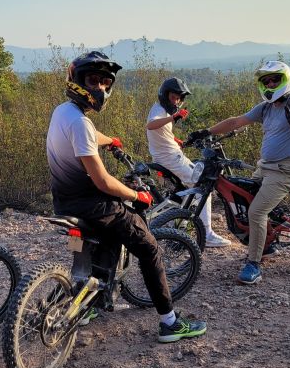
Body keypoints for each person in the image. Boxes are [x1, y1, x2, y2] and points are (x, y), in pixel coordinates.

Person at [46, 51, 207, 342]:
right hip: (93, 204)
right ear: (77, 80)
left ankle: (90, 302)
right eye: (93, 81)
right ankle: (170, 323)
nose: (101, 89)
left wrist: (111, 141)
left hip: (65, 200)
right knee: (149, 248)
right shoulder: (81, 123)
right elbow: (103, 181)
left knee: (105, 239)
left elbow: (89, 135)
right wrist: (137, 195)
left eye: (106, 83)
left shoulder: (63, 112)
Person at [189, 61, 290, 285]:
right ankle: (268, 242)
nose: (269, 83)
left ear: (285, 80)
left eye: (274, 79)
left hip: (286, 170)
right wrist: (205, 131)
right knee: (243, 196)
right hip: (265, 167)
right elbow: (237, 121)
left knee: (256, 212)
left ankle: (254, 264)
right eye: (265, 80)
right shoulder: (265, 107)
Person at [146, 77, 233, 248]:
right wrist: (175, 117)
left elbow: (160, 133)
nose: (177, 101)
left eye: (179, 98)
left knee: (188, 188)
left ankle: (180, 220)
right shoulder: (159, 111)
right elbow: (151, 126)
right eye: (173, 97)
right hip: (170, 158)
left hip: (166, 155)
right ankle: (207, 234)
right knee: (204, 184)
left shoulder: (161, 109)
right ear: (165, 95)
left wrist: (174, 139)